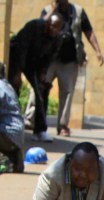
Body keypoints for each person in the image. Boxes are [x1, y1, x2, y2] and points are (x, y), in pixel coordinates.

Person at [27, 1, 104, 137]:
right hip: (49, 59)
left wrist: (97, 51)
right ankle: (30, 119)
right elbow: (40, 27)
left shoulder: (78, 12)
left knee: (67, 93)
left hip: (69, 60)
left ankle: (62, 125)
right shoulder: (47, 10)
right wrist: (52, 10)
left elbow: (88, 31)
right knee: (38, 87)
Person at [7, 14, 63, 143]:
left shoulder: (57, 39)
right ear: (48, 23)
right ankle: (11, 125)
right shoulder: (34, 26)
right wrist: (17, 73)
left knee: (42, 90)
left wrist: (43, 73)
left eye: (58, 28)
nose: (55, 31)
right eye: (54, 27)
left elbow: (49, 58)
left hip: (35, 63)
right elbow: (22, 48)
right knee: (13, 89)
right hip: (17, 57)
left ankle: (40, 130)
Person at [0, 63, 26, 173]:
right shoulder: (6, 85)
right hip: (16, 136)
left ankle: (4, 160)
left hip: (8, 134)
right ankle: (13, 159)